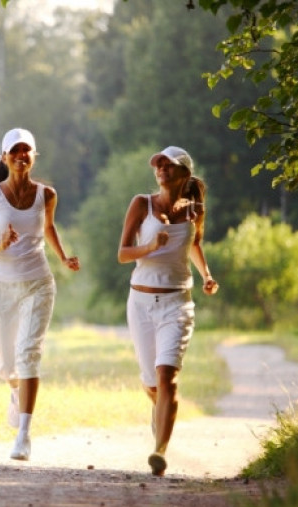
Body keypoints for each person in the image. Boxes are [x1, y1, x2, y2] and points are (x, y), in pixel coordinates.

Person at [0, 128, 80, 461]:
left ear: (33, 156)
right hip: (1, 286)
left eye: (27, 151)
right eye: (15, 151)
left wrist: (64, 257)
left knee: (29, 353)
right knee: (8, 365)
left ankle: (24, 434)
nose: (21, 156)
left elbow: (49, 227)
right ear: (5, 157)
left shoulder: (46, 194)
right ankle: (15, 393)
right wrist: (0, 244)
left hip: (38, 282)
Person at [117, 145, 219, 476]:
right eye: (158, 165)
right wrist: (150, 247)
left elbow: (194, 243)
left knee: (167, 378)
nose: (161, 169)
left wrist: (206, 275)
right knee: (152, 384)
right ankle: (161, 411)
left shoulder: (194, 210)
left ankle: (159, 451)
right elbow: (123, 253)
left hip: (177, 302)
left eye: (169, 165)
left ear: (184, 174)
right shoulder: (140, 204)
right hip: (141, 304)